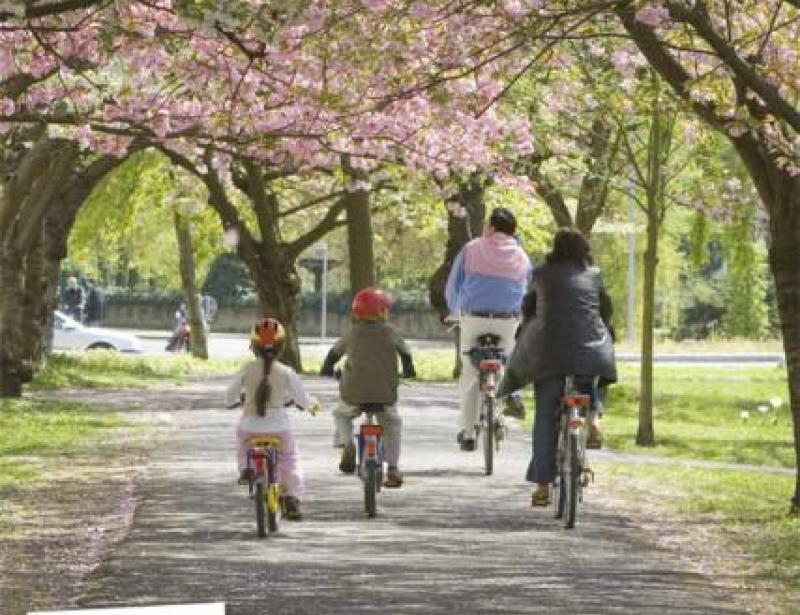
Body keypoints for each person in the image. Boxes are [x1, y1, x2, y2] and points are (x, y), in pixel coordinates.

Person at [497, 228, 617, 507]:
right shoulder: (594, 275)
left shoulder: (540, 274)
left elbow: (528, 308)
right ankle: (593, 418)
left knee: (546, 416)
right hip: (589, 352)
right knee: (592, 382)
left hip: (548, 356)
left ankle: (542, 485)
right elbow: (606, 311)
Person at [445, 207, 532, 451]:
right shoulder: (522, 256)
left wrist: (454, 310)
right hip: (508, 320)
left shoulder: (472, 248)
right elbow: (528, 288)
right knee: (507, 358)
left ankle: (469, 432)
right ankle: (511, 393)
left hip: (474, 318)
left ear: (492, 228)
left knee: (470, 372)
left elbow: (454, 284)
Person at [320, 287, 416, 489]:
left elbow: (333, 354)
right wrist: (408, 371)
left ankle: (347, 444)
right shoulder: (391, 332)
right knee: (393, 423)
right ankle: (393, 468)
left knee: (341, 415)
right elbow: (406, 354)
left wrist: (327, 368)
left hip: (353, 392)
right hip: (384, 393)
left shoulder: (352, 333)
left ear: (356, 312)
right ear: (383, 312)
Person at [226, 317, 313, 521]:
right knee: (289, 460)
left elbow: (230, 394)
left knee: (242, 445)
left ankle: (246, 469)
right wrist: (307, 405)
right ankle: (291, 498)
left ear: (253, 346)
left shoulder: (247, 369)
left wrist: (233, 402)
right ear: (281, 347)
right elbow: (302, 398)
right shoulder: (286, 372)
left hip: (250, 428)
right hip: (279, 430)